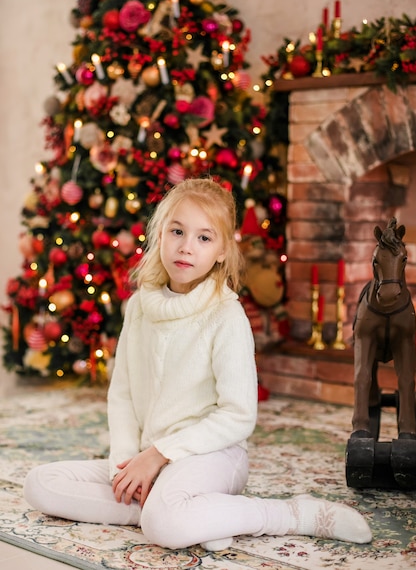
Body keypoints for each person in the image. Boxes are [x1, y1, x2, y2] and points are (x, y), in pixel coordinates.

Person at [24, 178, 372, 550]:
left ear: (222, 250)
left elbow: (238, 416)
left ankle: (289, 514)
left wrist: (160, 455)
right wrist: (125, 467)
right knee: (40, 484)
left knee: (164, 525)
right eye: (177, 231)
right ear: (160, 236)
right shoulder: (140, 307)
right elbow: (122, 395)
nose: (186, 247)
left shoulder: (226, 315)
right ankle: (183, 513)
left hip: (212, 455)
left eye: (204, 238)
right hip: (149, 459)